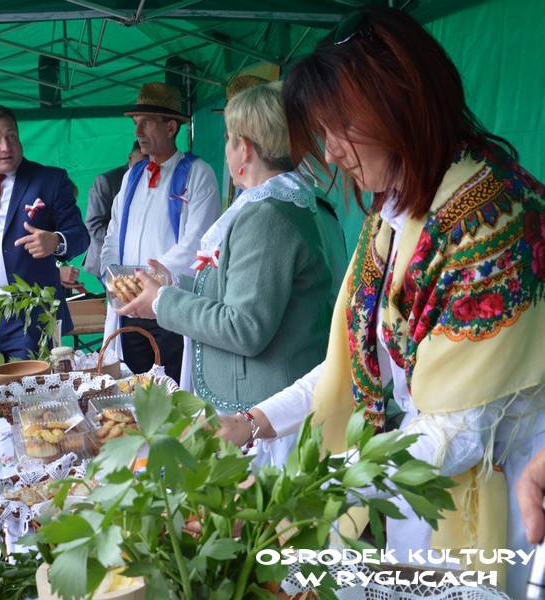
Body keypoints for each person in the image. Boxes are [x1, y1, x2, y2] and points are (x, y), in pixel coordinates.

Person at [219, 8, 544, 596]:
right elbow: (352, 361)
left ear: (401, 104)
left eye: (339, 127)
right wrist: (252, 423)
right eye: (321, 131)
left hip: (492, 488)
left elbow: (458, 432)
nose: (331, 152)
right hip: (415, 479)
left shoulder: (490, 220)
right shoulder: (394, 212)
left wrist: (299, 489)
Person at [117, 81, 333, 413]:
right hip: (267, 401)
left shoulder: (267, 216)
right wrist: (173, 284)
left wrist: (162, 301)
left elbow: (243, 327)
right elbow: (238, 290)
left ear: (243, 149)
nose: (226, 150)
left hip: (265, 408)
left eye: (227, 139)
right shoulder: (277, 204)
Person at [0, 104, 89, 392]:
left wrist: (55, 240)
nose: (6, 146)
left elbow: (80, 235)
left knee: (36, 400)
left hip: (31, 316)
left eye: (11, 137)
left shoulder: (50, 180)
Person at [101, 82, 220, 383]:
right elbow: (113, 233)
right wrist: (112, 276)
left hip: (169, 306)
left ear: (170, 127)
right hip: (129, 307)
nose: (137, 131)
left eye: (146, 123)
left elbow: (197, 243)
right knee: (134, 387)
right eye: (136, 123)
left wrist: (147, 283)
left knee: (172, 387)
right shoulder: (132, 176)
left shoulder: (198, 173)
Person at [83, 141, 144, 277]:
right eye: (141, 160)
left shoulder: (151, 177)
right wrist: (127, 240)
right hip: (106, 258)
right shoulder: (106, 181)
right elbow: (94, 225)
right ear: (130, 157)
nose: (145, 165)